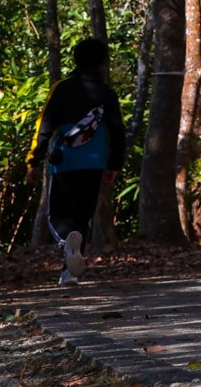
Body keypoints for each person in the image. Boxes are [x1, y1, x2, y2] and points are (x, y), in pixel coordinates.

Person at [29, 33, 127, 286]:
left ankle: (65, 240)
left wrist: (34, 159)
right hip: (94, 162)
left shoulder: (61, 89)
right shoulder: (107, 94)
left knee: (59, 215)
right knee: (83, 216)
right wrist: (115, 165)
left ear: (75, 59)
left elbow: (44, 126)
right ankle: (69, 272)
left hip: (65, 161)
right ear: (103, 63)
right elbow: (118, 131)